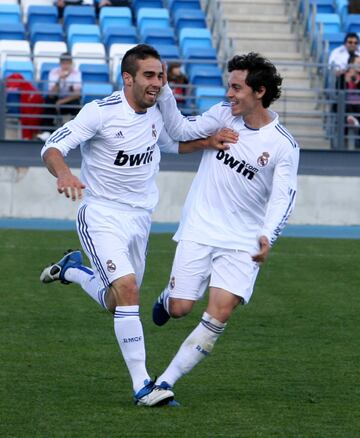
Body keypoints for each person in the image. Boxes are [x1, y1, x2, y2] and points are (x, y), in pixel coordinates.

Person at [38, 44, 238, 407]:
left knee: (118, 303)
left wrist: (208, 142)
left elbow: (170, 145)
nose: (157, 83)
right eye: (149, 75)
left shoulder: (157, 111)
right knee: (129, 290)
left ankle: (72, 271)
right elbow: (52, 147)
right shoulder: (100, 113)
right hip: (100, 214)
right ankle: (143, 385)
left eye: (160, 76)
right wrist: (65, 172)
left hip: (140, 219)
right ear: (127, 78)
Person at [151, 52, 300, 401]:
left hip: (242, 241)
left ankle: (163, 383)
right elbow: (179, 130)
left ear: (259, 91)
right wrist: (165, 89)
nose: (229, 94)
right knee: (179, 309)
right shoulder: (221, 116)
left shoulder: (282, 145)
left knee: (219, 314)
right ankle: (169, 296)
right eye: (228, 87)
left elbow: (283, 197)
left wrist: (268, 235)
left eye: (236, 88)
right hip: (200, 229)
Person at [38, 52, 82, 142]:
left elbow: (77, 94)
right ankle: (47, 131)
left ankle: (75, 133)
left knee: (76, 103)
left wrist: (62, 101)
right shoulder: (54, 73)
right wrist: (59, 80)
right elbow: (51, 94)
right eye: (63, 63)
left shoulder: (76, 73)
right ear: (60, 63)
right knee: (48, 100)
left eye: (68, 63)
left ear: (71, 63)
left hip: (68, 100)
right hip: (56, 99)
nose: (65, 65)